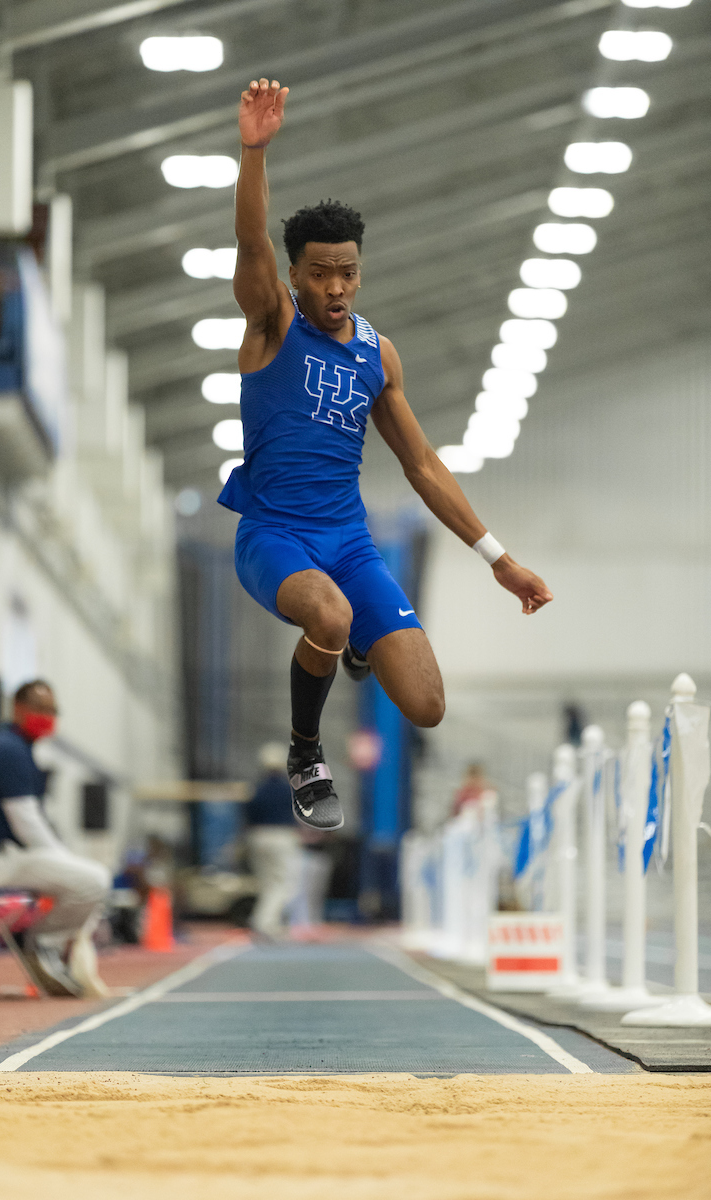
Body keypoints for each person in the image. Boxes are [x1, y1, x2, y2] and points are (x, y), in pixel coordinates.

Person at [219, 79, 553, 836]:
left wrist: (498, 558)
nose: (336, 287)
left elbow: (424, 466)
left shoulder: (378, 355)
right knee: (330, 618)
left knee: (427, 707)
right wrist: (253, 152)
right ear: (295, 276)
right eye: (320, 273)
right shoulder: (272, 324)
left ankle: (361, 643)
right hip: (274, 535)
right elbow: (248, 243)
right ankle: (309, 750)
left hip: (349, 541)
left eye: (348, 272)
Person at [0, 679, 111, 996]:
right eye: (39, 708)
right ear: (18, 709)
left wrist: (63, 860)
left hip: (8, 855)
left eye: (52, 710)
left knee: (88, 879)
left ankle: (48, 946)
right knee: (93, 880)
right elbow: (26, 821)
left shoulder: (17, 748)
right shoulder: (9, 750)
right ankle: (41, 942)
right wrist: (64, 861)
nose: (47, 716)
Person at [244, 741, 301, 940]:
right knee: (284, 884)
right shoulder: (288, 789)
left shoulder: (256, 789)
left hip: (257, 837)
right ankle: (265, 923)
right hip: (281, 837)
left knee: (267, 883)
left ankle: (265, 921)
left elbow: (248, 815)